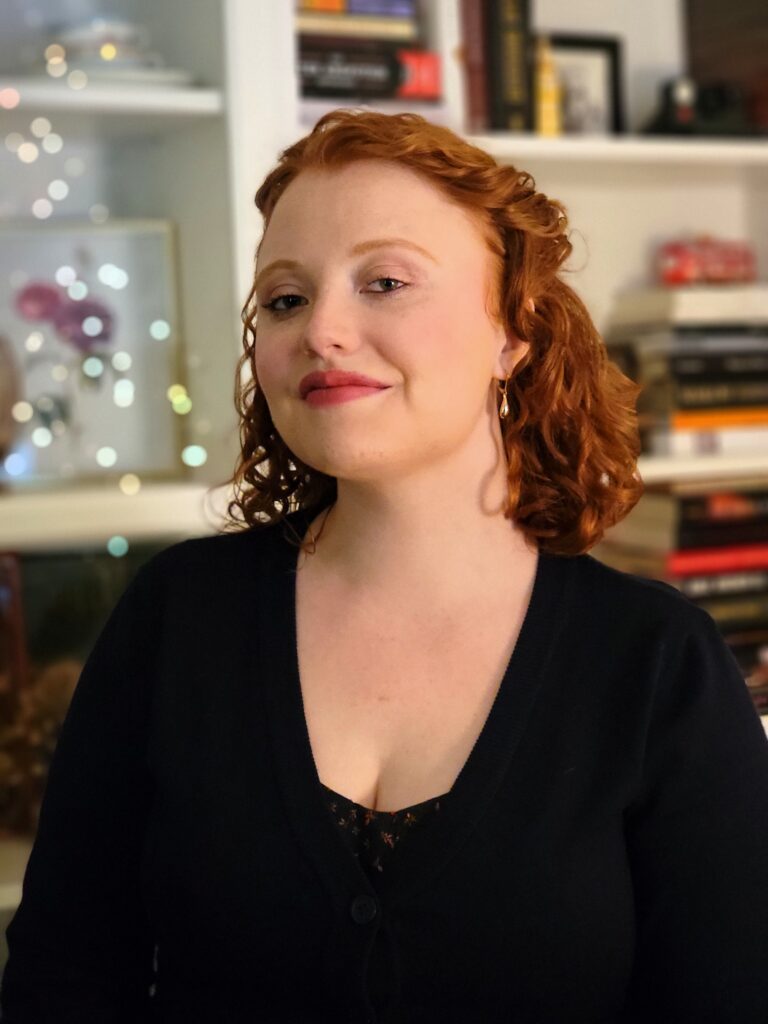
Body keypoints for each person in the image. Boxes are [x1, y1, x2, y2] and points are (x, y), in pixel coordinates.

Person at [2, 108, 767, 1024]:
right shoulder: (177, 614)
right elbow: (65, 975)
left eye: (386, 281)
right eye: (285, 298)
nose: (322, 329)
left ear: (513, 332)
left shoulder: (655, 660)